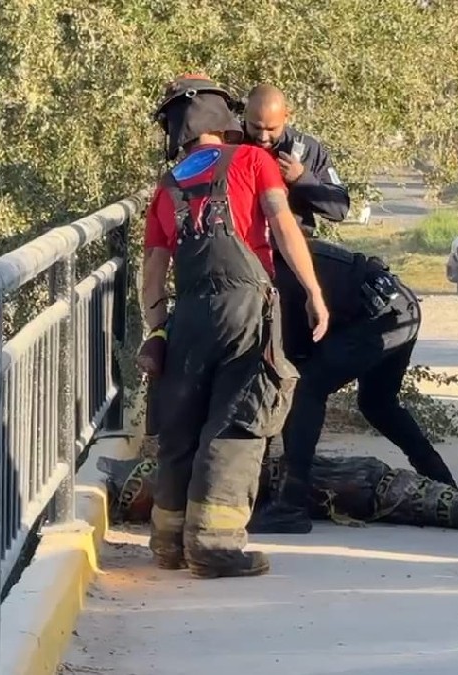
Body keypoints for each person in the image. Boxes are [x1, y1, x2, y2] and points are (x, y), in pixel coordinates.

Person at [137, 74, 329, 579]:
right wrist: (312, 291)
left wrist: (156, 329)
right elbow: (283, 224)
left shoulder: (171, 184)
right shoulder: (253, 161)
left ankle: (168, 542)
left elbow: (153, 270)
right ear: (225, 117)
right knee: (236, 421)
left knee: (181, 424)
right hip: (245, 310)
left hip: (189, 316)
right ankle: (215, 548)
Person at [247, 238, 457, 534]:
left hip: (381, 315)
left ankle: (290, 505)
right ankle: (441, 478)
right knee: (377, 404)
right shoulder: (273, 258)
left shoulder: (268, 277)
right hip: (398, 306)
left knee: (306, 389)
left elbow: (280, 373)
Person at [242, 84, 350, 236]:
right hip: (243, 248)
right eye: (256, 128)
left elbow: (339, 209)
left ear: (286, 117)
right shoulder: (229, 144)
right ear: (246, 113)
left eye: (271, 129)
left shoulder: (308, 149)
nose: (263, 137)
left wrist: (302, 179)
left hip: (293, 248)